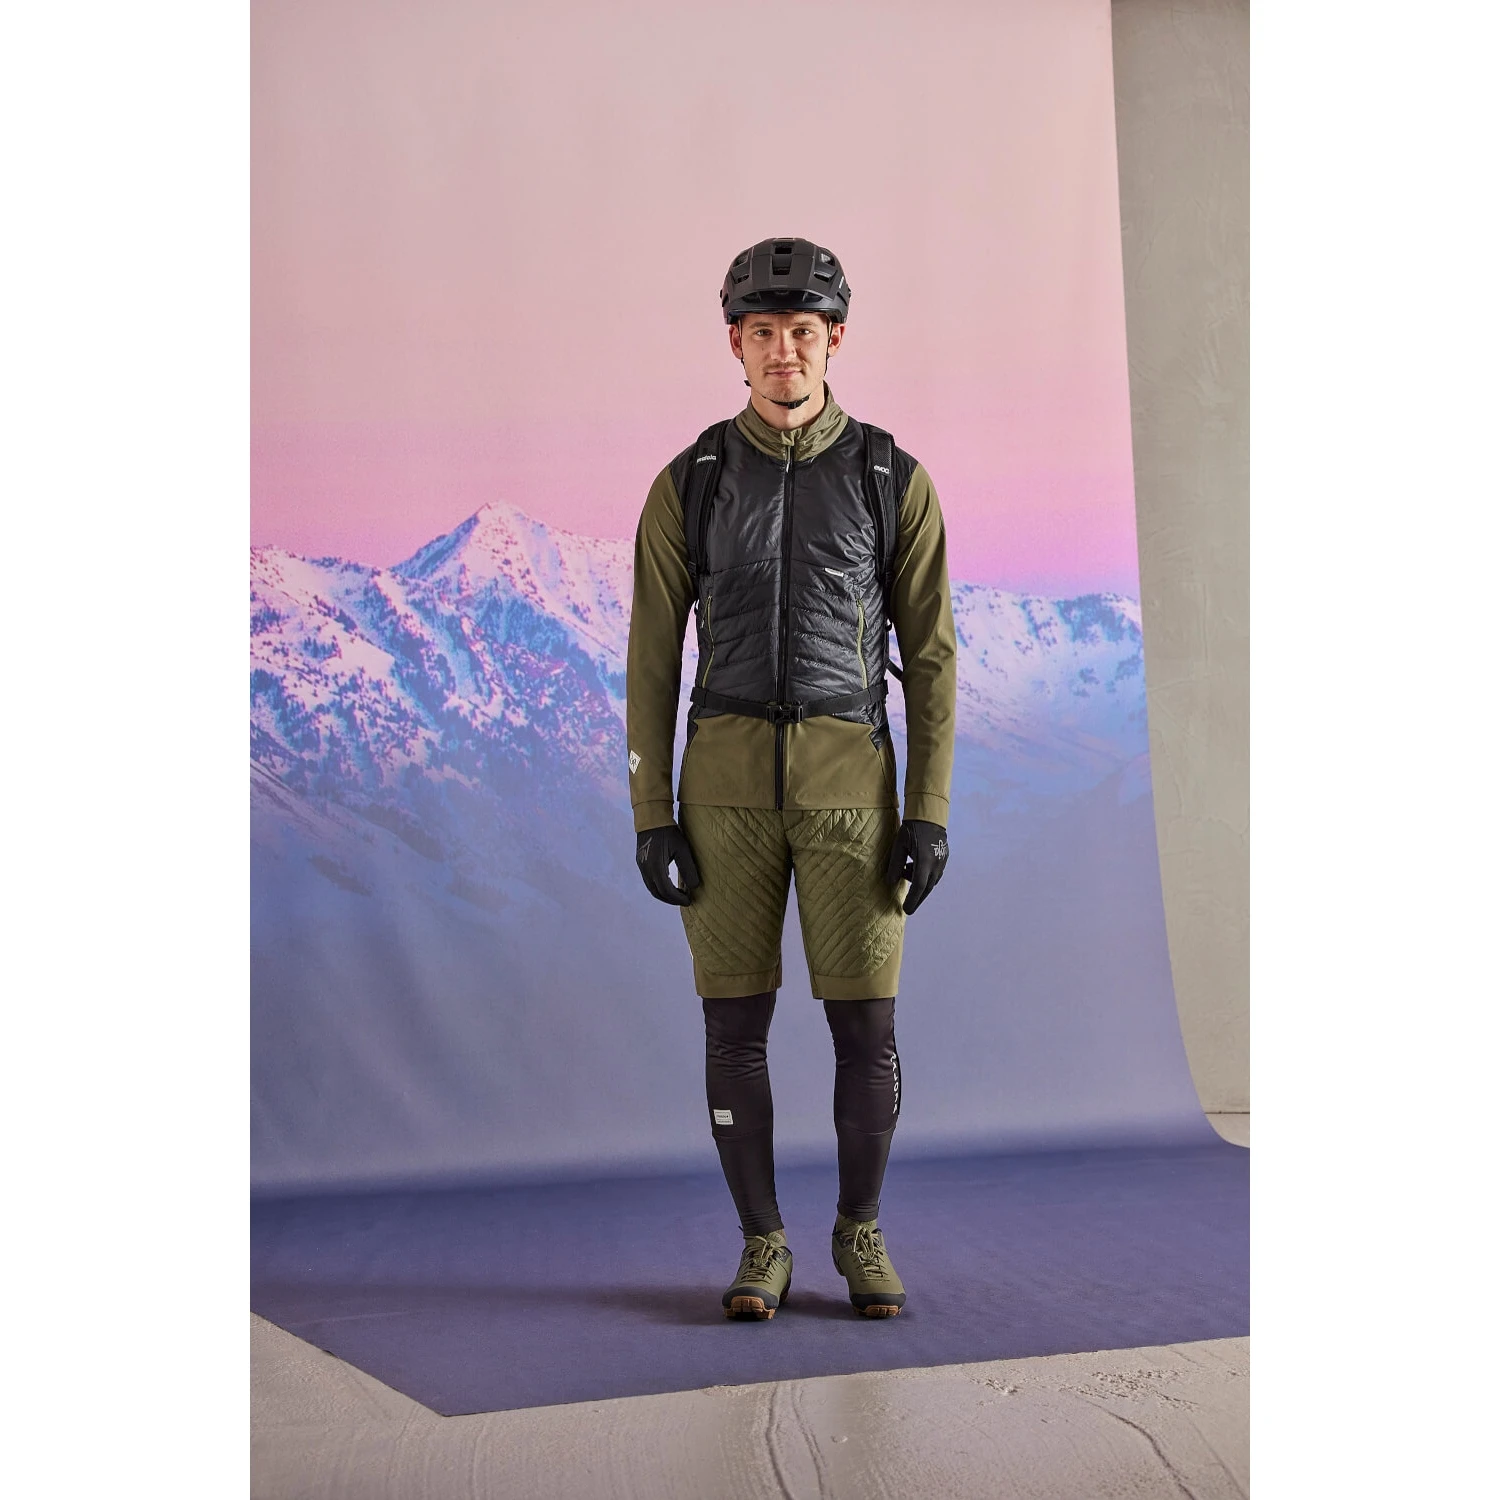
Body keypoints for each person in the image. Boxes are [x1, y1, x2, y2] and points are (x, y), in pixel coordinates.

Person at [626, 237, 957, 1319]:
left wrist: (928, 812)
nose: (783, 351)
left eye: (802, 332)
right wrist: (652, 813)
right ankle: (761, 1244)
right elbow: (651, 658)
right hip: (721, 797)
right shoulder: (690, 483)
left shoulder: (890, 478)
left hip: (851, 794)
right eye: (762, 332)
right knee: (734, 1031)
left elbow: (934, 656)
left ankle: (860, 1233)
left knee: (866, 1031)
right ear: (735, 343)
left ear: (835, 340)